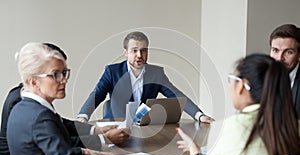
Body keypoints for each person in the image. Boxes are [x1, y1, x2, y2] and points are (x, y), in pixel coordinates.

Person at [6, 42, 154, 155]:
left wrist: (81, 151)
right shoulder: (40, 118)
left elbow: (43, 152)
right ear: (33, 82)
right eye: (56, 74)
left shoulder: (22, 109)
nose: (63, 80)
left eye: (64, 73)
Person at [176, 54, 300, 155]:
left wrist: (195, 152)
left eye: (231, 80)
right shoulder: (293, 126)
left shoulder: (228, 127)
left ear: (241, 86)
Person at [77, 31, 214, 123]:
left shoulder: (156, 73)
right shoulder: (112, 72)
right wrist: (83, 116)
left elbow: (176, 95)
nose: (139, 55)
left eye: (143, 50)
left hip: (144, 128)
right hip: (115, 126)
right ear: (125, 52)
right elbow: (97, 95)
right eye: (134, 50)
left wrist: (199, 115)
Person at [269, 24, 300, 117]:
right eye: (275, 50)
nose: (279, 58)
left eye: (288, 52)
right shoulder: (261, 77)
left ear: (299, 55)